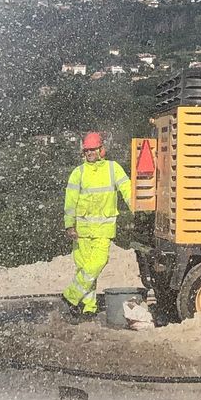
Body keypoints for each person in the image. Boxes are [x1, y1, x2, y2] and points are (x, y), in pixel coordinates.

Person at [61, 131, 132, 322]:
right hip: (81, 230)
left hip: (103, 229)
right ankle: (88, 308)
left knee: (97, 264)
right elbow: (70, 202)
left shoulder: (113, 168)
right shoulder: (78, 173)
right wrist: (69, 226)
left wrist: (140, 209)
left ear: (102, 149)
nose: (90, 153)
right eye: (87, 150)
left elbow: (128, 190)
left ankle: (70, 296)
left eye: (93, 149)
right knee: (84, 269)